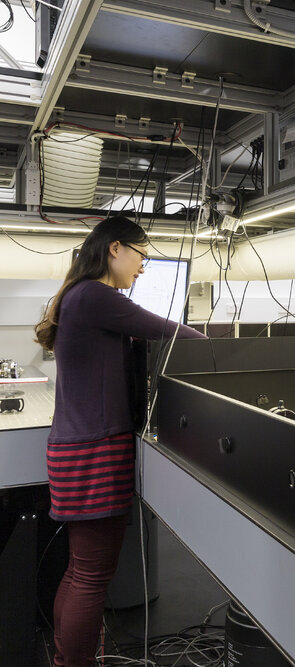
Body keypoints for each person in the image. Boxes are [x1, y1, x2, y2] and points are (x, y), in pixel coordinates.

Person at [35, 216, 206, 667]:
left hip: (76, 447)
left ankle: (65, 659)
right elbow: (171, 332)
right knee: (92, 575)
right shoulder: (95, 295)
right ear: (115, 248)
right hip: (94, 451)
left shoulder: (78, 297)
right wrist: (216, 351)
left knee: (79, 570)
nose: (143, 267)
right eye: (141, 255)